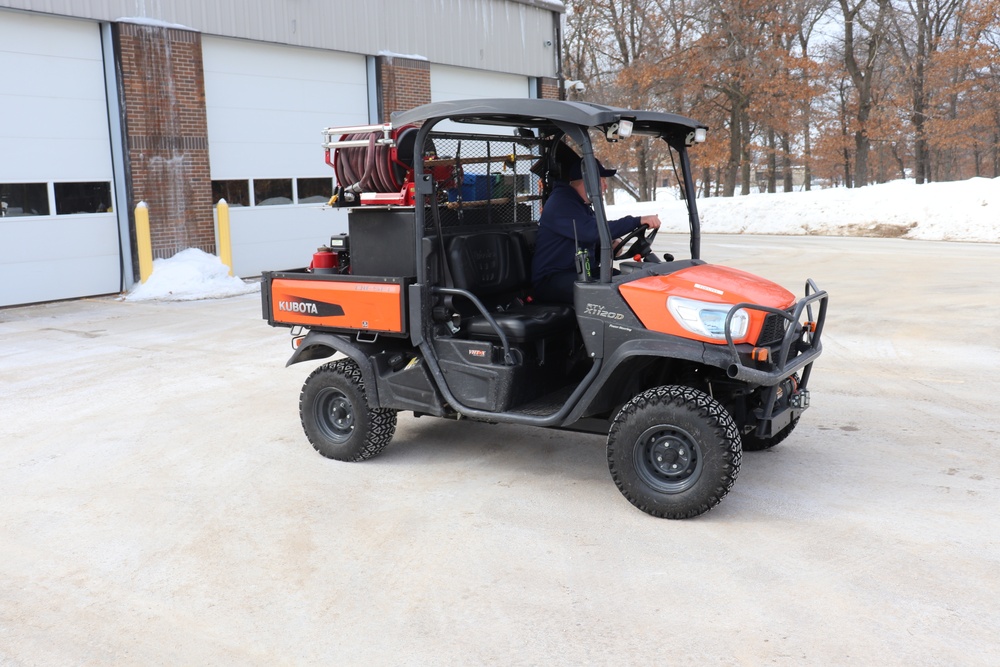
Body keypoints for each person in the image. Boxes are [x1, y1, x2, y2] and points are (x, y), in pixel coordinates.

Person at [531, 155, 662, 304]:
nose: (605, 186)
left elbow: (587, 238)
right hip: (553, 278)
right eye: (602, 181)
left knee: (629, 282)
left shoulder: (581, 205)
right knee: (609, 293)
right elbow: (590, 231)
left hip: (580, 271)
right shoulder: (561, 202)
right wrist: (636, 221)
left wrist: (611, 244)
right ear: (589, 181)